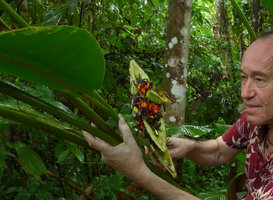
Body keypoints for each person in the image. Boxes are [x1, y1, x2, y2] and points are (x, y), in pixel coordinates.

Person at [83, 30, 273, 199]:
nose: (245, 93)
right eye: (243, 78)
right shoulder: (255, 119)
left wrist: (139, 173)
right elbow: (219, 150)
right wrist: (190, 147)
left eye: (259, 79)